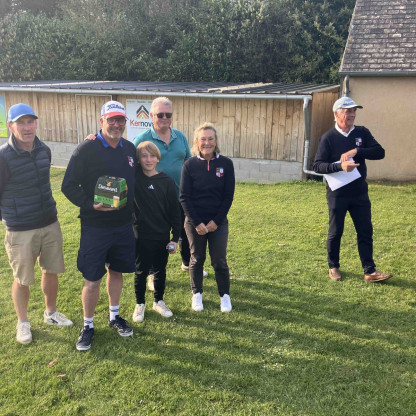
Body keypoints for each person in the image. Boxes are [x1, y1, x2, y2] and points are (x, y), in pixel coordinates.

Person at [62, 100, 136, 351]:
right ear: (101, 121)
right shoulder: (86, 149)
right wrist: (90, 204)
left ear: (125, 123)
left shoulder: (130, 149)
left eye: (120, 120)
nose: (116, 124)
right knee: (92, 278)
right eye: (111, 119)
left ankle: (114, 316)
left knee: (116, 271)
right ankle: (88, 325)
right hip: (95, 226)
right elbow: (68, 185)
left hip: (123, 225)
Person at [0, 103, 72, 344]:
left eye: (30, 121)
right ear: (11, 126)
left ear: (36, 123)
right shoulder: (3, 156)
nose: (27, 127)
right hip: (20, 228)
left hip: (49, 221)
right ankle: (22, 322)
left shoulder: (44, 150)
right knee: (22, 278)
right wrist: (9, 220)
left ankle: (50, 313)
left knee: (51, 270)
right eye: (20, 122)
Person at [313, 96, 393, 283]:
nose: (352, 114)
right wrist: (340, 167)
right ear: (336, 113)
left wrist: (357, 151)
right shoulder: (328, 138)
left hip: (359, 193)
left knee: (365, 231)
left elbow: (380, 152)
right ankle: (333, 266)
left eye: (354, 111)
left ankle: (370, 271)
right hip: (337, 195)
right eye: (348, 111)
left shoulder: (361, 132)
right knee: (336, 232)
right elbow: (317, 166)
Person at [133, 97, 208, 284]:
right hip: (153, 199)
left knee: (185, 230)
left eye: (168, 114)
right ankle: (152, 273)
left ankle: (187, 262)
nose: (165, 118)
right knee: (155, 236)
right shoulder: (142, 139)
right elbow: (128, 161)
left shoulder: (179, 136)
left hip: (181, 195)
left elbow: (188, 162)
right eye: (160, 115)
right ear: (151, 116)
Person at [180, 123, 235, 312]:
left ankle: (224, 295)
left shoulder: (226, 164)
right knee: (196, 258)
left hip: (218, 223)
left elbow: (228, 196)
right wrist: (197, 223)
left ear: (216, 141)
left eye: (210, 139)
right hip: (194, 223)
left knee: (219, 260)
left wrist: (215, 222)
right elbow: (184, 197)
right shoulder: (189, 165)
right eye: (203, 139)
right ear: (196, 142)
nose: (207, 143)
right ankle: (197, 294)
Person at [131, 141, 181, 323]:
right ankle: (140, 304)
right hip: (141, 235)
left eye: (152, 156)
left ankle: (158, 301)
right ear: (138, 160)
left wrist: (175, 238)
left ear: (158, 158)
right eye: (144, 156)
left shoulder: (166, 181)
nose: (148, 159)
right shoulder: (134, 178)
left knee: (160, 270)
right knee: (141, 271)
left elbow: (175, 211)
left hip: (162, 236)